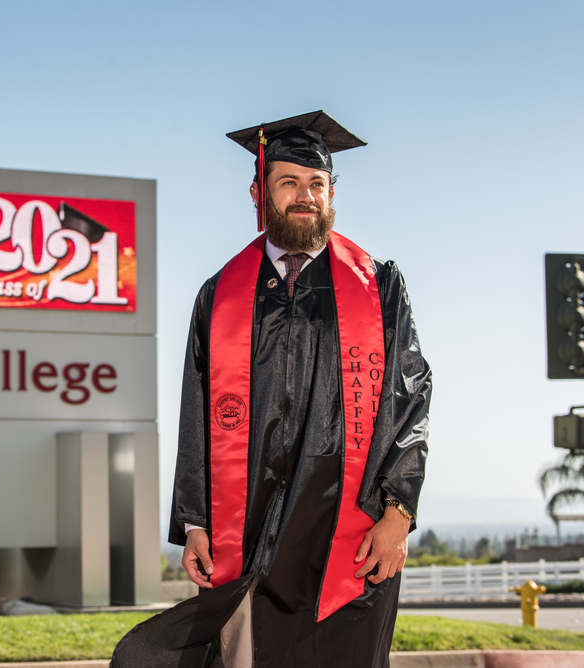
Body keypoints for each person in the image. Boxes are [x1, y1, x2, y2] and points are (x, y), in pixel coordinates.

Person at [110, 111, 431, 668]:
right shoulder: (222, 295)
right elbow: (197, 408)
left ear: (333, 193)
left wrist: (398, 515)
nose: (305, 196)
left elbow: (410, 397)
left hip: (350, 535)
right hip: (251, 528)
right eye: (289, 183)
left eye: (317, 184)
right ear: (261, 192)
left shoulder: (378, 287)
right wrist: (195, 521)